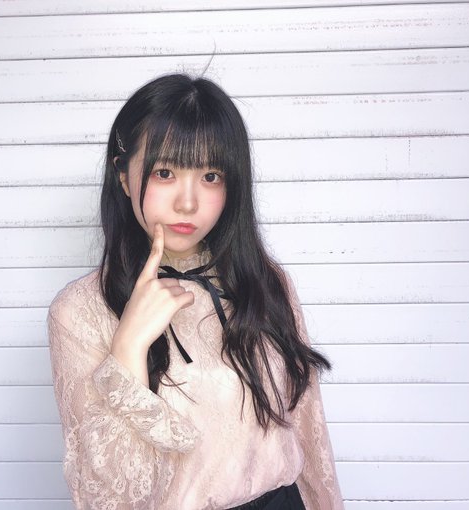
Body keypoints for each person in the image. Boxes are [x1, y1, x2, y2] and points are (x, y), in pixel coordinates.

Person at [47, 73, 344, 510]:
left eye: (210, 175)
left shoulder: (265, 282)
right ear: (124, 176)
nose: (188, 202)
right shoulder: (79, 311)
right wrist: (129, 346)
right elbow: (107, 496)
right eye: (165, 172)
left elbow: (308, 429)